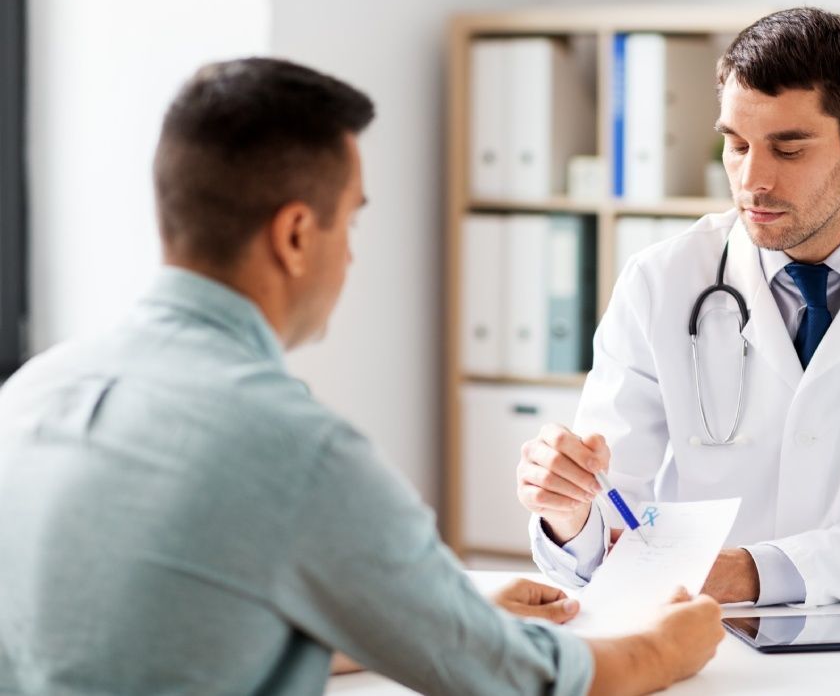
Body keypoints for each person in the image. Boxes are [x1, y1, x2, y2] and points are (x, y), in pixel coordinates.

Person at [0, 58, 722, 695]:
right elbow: (516, 680)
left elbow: (170, 641)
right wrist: (665, 647)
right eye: (349, 223)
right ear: (293, 236)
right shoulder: (292, 451)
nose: (349, 257)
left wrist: (430, 617)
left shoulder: (30, 394)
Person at [517, 7, 840, 608]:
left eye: (788, 149)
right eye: (734, 145)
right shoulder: (662, 281)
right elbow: (606, 519)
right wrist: (569, 515)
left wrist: (744, 572)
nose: (752, 179)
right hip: (708, 633)